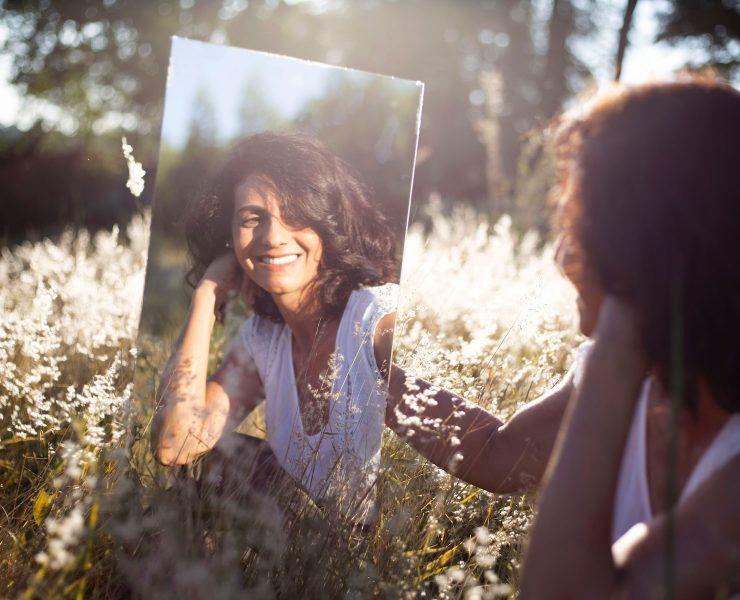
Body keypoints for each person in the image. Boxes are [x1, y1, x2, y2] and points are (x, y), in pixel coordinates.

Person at [151, 131, 578, 525]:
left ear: (327, 223)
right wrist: (207, 294)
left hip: (360, 569)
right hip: (297, 559)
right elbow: (177, 443)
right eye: (251, 218)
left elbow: (497, 460)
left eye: (295, 214)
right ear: (229, 236)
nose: (272, 237)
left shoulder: (373, 320)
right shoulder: (265, 339)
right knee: (219, 459)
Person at [521, 79, 740, 598]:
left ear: (643, 248)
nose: (562, 260)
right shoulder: (647, 385)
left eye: (581, 231)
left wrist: (618, 343)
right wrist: (377, 373)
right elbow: (493, 453)